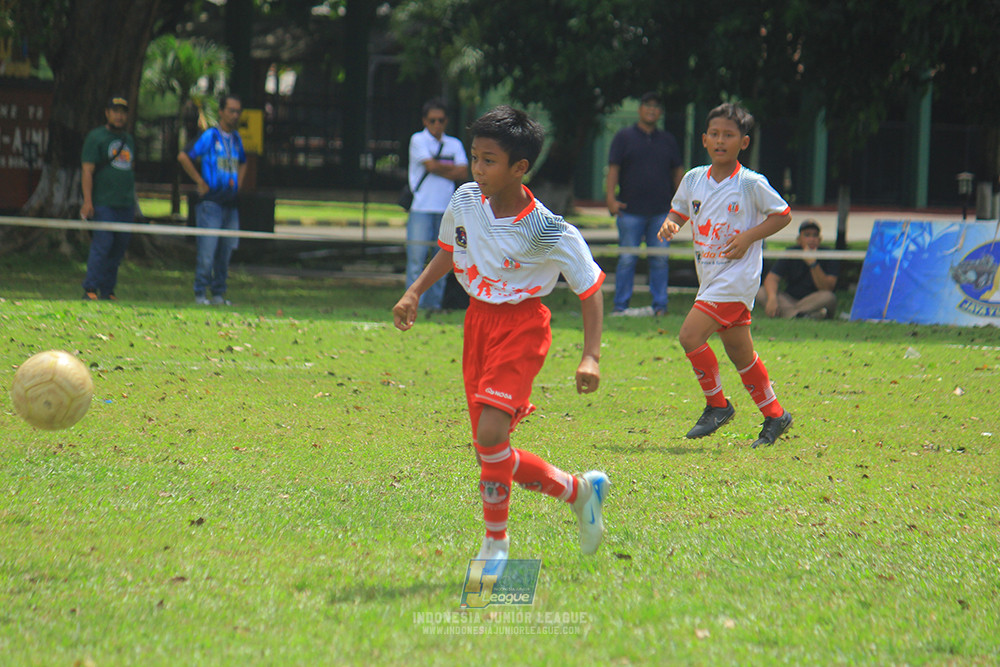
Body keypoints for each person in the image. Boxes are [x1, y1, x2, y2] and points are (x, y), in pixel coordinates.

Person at [393, 106, 610, 571]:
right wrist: (414, 292)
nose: (478, 169)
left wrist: (590, 356)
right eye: (474, 157)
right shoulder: (466, 200)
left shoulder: (550, 229)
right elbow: (451, 251)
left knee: (491, 435)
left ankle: (496, 546)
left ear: (520, 168)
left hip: (522, 326)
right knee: (489, 451)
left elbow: (591, 289)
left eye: (489, 160)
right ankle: (578, 491)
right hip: (478, 325)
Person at [658, 103, 794, 448]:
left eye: (729, 135)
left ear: (743, 143)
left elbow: (783, 214)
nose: (721, 141)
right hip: (711, 276)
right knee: (740, 355)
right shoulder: (693, 179)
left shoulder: (750, 184)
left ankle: (717, 406)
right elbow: (679, 209)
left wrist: (749, 236)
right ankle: (776, 415)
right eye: (715, 134)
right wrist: (672, 222)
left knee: (690, 336)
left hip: (736, 278)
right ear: (704, 139)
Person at [606, 91, 684, 317]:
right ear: (640, 109)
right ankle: (620, 307)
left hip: (661, 213)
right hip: (629, 211)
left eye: (656, 106)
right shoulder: (623, 137)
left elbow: (678, 172)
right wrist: (611, 199)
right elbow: (613, 169)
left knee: (660, 260)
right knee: (627, 259)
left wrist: (680, 203)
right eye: (647, 105)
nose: (651, 109)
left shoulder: (668, 140)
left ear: (660, 112)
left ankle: (660, 306)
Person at [178, 93, 247, 306]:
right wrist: (199, 181)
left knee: (225, 252)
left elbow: (243, 161)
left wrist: (239, 184)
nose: (235, 115)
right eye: (231, 111)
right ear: (221, 112)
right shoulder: (210, 136)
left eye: (238, 111)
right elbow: (184, 156)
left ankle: (218, 294)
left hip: (230, 204)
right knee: (207, 252)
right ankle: (200, 293)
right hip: (211, 204)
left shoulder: (236, 139)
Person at [405, 99, 469, 311]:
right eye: (432, 120)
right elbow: (431, 166)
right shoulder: (418, 140)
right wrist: (447, 168)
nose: (436, 125)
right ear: (425, 121)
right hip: (421, 208)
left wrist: (438, 168)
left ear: (446, 121)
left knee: (441, 260)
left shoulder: (455, 144)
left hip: (446, 209)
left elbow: (462, 172)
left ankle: (433, 305)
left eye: (440, 120)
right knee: (417, 259)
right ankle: (414, 303)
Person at [80, 95, 138, 301]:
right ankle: (90, 288)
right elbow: (87, 171)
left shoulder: (128, 139)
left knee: (118, 249)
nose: (119, 116)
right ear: (107, 113)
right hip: (104, 203)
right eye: (115, 111)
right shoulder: (96, 137)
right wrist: (88, 202)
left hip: (125, 204)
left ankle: (108, 290)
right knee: (102, 245)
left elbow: (130, 171)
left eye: (123, 112)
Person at [756, 219, 839, 319]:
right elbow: (772, 278)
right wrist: (772, 298)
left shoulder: (828, 254)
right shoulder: (792, 252)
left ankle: (792, 314)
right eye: (807, 235)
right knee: (761, 292)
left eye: (815, 235)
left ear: (819, 239)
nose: (812, 239)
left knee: (829, 297)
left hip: (814, 300)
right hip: (789, 299)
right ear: (799, 239)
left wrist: (813, 264)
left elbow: (827, 288)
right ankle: (803, 315)